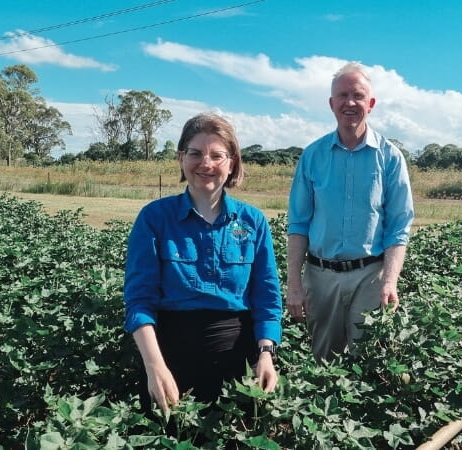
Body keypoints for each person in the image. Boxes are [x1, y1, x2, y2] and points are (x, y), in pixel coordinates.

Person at [124, 113, 282, 414]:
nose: (205, 164)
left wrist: (265, 355)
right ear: (181, 157)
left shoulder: (253, 221)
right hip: (168, 355)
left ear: (232, 162)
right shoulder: (155, 218)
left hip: (237, 358)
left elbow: (267, 298)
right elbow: (139, 301)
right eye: (195, 153)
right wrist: (154, 366)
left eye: (217, 155)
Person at [287, 62, 414, 362]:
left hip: (370, 275)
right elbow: (298, 223)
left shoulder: (389, 157)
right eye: (342, 95)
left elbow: (399, 226)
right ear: (332, 104)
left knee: (368, 362)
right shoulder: (313, 156)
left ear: (371, 104)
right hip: (321, 276)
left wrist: (390, 282)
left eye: (358, 96)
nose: (350, 103)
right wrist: (294, 284)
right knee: (323, 362)